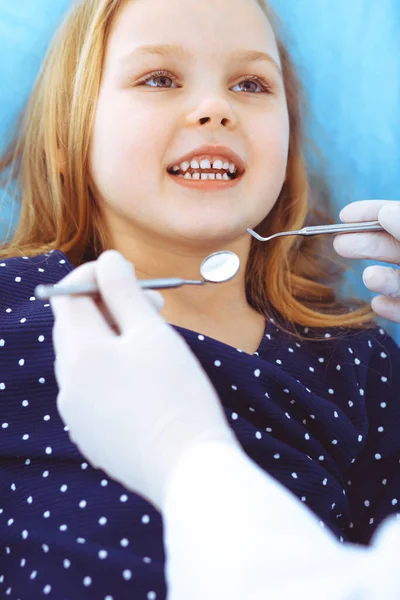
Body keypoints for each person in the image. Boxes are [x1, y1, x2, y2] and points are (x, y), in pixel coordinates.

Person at [0, 0, 399, 597]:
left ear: (287, 154)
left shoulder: (354, 361)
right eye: (158, 79)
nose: (216, 108)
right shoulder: (15, 306)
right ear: (66, 137)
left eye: (250, 84)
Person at [49, 199, 400, 600]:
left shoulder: (355, 355)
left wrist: (182, 453)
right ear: (63, 146)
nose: (211, 129)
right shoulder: (18, 302)